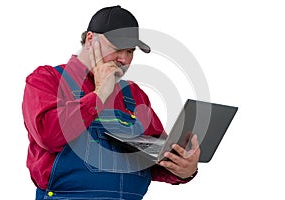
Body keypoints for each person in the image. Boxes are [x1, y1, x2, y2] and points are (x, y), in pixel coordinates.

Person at [22, 5, 200, 200]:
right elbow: (49, 136)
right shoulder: (48, 79)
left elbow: (153, 158)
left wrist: (183, 170)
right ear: (90, 40)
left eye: (130, 51)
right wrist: (98, 95)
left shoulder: (133, 93)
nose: (124, 59)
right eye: (117, 48)